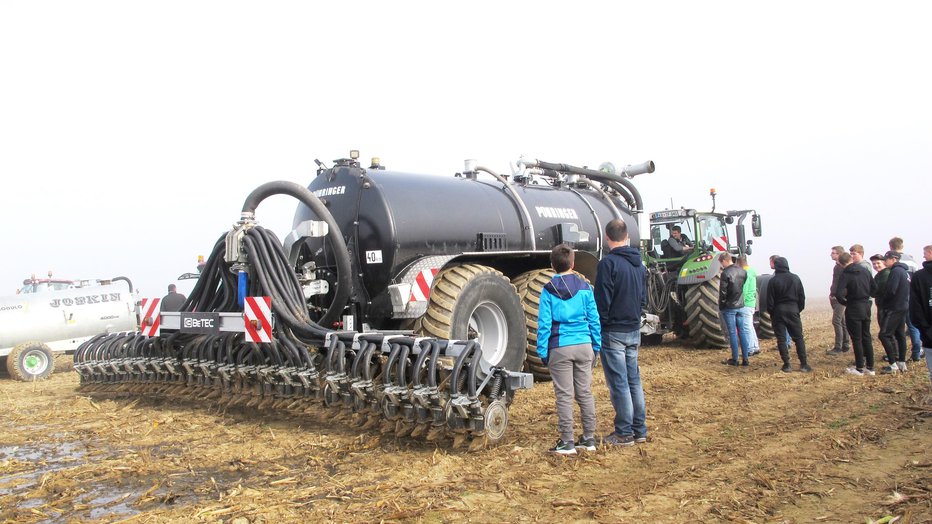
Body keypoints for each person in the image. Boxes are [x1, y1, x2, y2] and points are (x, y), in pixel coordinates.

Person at [537, 244, 602, 455]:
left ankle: (567, 442)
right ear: (573, 263)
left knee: (564, 395)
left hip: (559, 347)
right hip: (584, 345)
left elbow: (544, 324)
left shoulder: (548, 290)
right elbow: (594, 319)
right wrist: (596, 346)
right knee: (584, 392)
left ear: (552, 266)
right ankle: (589, 439)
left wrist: (543, 352)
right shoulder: (585, 288)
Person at [595, 219, 648, 447]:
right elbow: (644, 299)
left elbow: (602, 300)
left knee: (619, 383)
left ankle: (624, 433)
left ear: (607, 238)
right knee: (634, 381)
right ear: (626, 236)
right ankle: (640, 430)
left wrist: (601, 324)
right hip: (633, 329)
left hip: (613, 331)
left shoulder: (608, 264)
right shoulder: (639, 265)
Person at [836, 252, 877, 376]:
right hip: (866, 306)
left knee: (856, 338)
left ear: (841, 264)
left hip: (853, 306)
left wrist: (846, 302)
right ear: (851, 259)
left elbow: (839, 293)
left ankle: (859, 368)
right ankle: (870, 368)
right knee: (866, 336)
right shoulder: (865, 270)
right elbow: (874, 289)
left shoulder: (846, 273)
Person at [766, 257, 810, 372]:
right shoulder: (795, 278)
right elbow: (802, 297)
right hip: (793, 309)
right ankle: (804, 364)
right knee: (798, 338)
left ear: (776, 266)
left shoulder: (773, 281)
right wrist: (797, 309)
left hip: (778, 312)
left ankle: (787, 365)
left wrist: (773, 314)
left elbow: (769, 302)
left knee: (781, 339)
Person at [890, 237, 923, 361]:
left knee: (897, 327)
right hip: (910, 296)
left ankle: (897, 354)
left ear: (890, 246)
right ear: (902, 246)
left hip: (897, 298)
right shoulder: (912, 260)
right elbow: (916, 278)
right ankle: (916, 353)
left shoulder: (890, 259)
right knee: (913, 326)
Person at [878, 251, 910, 374]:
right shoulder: (904, 272)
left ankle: (893, 365)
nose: (885, 262)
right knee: (900, 334)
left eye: (886, 260)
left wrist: (883, 302)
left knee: (884, 334)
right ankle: (901, 362)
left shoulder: (896, 271)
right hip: (903, 306)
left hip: (894, 307)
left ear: (894, 259)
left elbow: (891, 290)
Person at [718, 253, 751, 367]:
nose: (721, 265)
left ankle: (735, 359)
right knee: (742, 332)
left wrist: (721, 306)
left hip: (730, 307)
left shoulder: (725, 273)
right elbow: (740, 287)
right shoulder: (743, 272)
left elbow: (723, 292)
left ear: (724, 261)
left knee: (732, 333)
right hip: (741, 306)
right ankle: (746, 359)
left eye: (721, 263)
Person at [909, 245, 932, 393]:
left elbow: (915, 309)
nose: (923, 256)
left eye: (925, 253)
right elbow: (915, 308)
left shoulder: (918, 277)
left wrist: (925, 329)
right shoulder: (919, 277)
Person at [827, 246, 851, 355]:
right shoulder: (836, 267)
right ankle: (845, 344)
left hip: (840, 298)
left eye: (833, 253)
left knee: (836, 321)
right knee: (842, 321)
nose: (831, 255)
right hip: (835, 297)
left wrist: (839, 295)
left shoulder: (843, 268)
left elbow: (844, 284)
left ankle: (838, 347)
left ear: (839, 254)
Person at [739, 256, 761, 356]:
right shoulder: (752, 271)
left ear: (739, 264)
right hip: (751, 302)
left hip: (746, 303)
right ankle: (755, 346)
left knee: (746, 326)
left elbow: (744, 289)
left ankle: (749, 349)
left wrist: (739, 300)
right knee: (750, 325)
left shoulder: (746, 273)